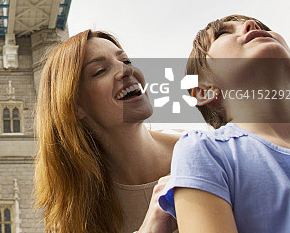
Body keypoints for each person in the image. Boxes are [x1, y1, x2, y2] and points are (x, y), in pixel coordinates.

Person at [158, 14, 290, 232]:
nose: (251, 25)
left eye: (263, 27)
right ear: (203, 91)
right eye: (223, 33)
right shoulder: (204, 151)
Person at [34, 29, 180, 233]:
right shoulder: (74, 215)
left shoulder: (204, 151)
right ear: (75, 106)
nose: (126, 70)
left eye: (126, 61)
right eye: (100, 71)